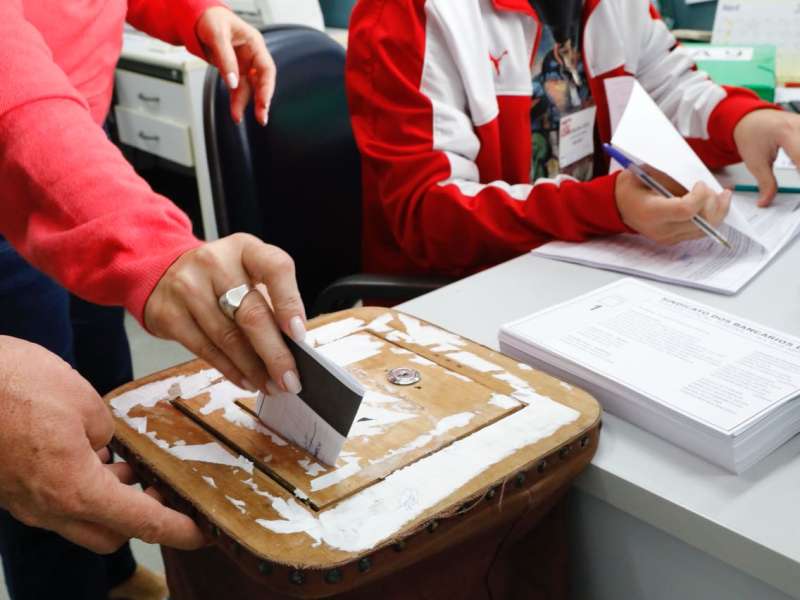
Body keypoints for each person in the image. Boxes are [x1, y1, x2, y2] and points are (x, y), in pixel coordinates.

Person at [0, 2, 306, 599]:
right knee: (35, 430)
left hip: (81, 132)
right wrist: (149, 242)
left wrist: (192, 13)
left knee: (102, 383)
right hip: (20, 144)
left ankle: (111, 575)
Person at [345, 0, 800, 279]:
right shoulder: (409, 11)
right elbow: (428, 218)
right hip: (455, 297)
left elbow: (670, 89)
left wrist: (744, 121)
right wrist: (606, 207)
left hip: (580, 266)